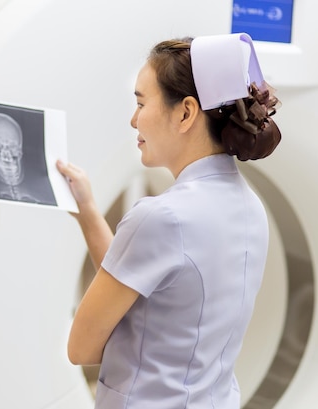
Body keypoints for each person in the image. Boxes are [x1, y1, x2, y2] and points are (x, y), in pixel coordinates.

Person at [56, 33, 281, 409]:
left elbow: (81, 348)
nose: (133, 120)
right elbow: (143, 281)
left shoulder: (161, 217)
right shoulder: (250, 207)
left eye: (141, 103)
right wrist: (88, 212)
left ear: (185, 113)